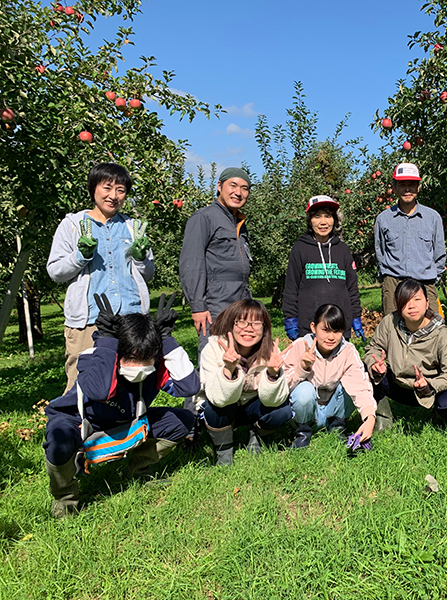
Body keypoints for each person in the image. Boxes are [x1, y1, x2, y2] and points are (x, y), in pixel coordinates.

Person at [42, 293, 199, 518]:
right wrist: (106, 341)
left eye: (146, 359)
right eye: (131, 359)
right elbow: (99, 392)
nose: (139, 367)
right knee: (59, 441)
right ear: (118, 352)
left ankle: (138, 470)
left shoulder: (155, 365)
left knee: (181, 421)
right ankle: (65, 499)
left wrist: (166, 339)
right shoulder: (96, 358)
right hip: (81, 421)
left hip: (125, 421)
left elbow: (190, 387)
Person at [47, 163, 154, 392]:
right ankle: (74, 427)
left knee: (130, 385)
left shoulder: (133, 227)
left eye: (121, 190)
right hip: (89, 320)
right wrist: (80, 256)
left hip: (130, 317)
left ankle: (128, 428)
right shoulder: (73, 225)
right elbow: (55, 271)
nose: (113, 196)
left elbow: (148, 274)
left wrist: (140, 258)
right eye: (107, 188)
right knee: (82, 384)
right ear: (93, 188)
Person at [198, 299, 294, 466]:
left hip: (252, 406)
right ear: (231, 324)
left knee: (283, 411)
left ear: (264, 328)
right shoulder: (213, 348)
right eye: (241, 321)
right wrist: (228, 370)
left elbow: (275, 400)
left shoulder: (271, 351)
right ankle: (224, 450)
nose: (249, 329)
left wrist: (272, 373)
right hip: (224, 408)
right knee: (214, 408)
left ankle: (256, 434)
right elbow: (218, 399)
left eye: (257, 323)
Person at [364, 279, 447, 424]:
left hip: (429, 390)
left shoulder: (441, 334)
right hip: (397, 384)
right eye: (405, 301)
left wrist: (430, 385)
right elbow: (373, 348)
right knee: (363, 368)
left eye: (417, 299)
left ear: (427, 303)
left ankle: (438, 418)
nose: (411, 306)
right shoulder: (389, 322)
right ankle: (382, 418)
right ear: (398, 305)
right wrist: (375, 365)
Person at [179, 167, 252, 358]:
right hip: (215, 305)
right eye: (233, 185)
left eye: (244, 188)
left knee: (239, 361)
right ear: (219, 186)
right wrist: (198, 305)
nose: (238, 192)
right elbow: (191, 264)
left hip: (241, 303)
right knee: (214, 360)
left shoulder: (239, 224)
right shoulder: (204, 218)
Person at [283, 304, 376, 449]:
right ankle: (303, 432)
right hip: (307, 411)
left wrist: (369, 417)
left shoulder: (348, 351)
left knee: (349, 386)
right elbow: (281, 387)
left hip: (333, 409)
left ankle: (337, 427)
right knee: (304, 390)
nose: (331, 337)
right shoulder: (300, 346)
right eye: (325, 330)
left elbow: (360, 386)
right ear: (313, 328)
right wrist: (302, 368)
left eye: (337, 331)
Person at [282, 195, 364, 342]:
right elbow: (291, 287)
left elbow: (352, 287)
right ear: (309, 220)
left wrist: (356, 316)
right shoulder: (300, 248)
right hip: (309, 325)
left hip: (339, 325)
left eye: (328, 216)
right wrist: (290, 318)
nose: (323, 222)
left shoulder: (343, 249)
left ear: (334, 220)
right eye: (317, 217)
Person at [374, 163, 446, 315]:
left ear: (418, 187)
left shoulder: (432, 217)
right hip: (393, 282)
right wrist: (386, 278)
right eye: (402, 185)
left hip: (424, 281)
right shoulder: (383, 219)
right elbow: (380, 251)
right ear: (394, 187)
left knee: (433, 327)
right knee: (392, 329)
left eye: (412, 185)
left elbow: (439, 254)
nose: (407, 189)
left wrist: (432, 277)